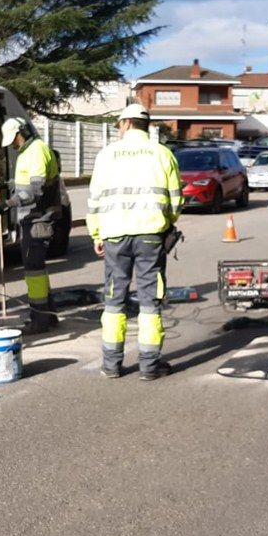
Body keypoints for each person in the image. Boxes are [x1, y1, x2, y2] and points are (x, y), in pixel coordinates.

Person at [85, 103, 182, 380]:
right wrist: (167, 223)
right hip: (151, 237)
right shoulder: (162, 153)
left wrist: (96, 233)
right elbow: (176, 200)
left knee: (114, 300)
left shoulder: (106, 155)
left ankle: (111, 365)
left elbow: (94, 201)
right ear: (146, 125)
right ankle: (149, 368)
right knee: (150, 302)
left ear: (125, 124)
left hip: (114, 236)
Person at [0, 117, 63, 334]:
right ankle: (49, 315)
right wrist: (8, 185)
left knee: (33, 270)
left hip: (38, 218)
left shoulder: (36, 151)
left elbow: (36, 190)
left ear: (21, 133)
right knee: (38, 269)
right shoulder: (29, 152)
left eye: (13, 140)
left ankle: (40, 320)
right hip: (33, 218)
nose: (13, 145)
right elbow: (26, 182)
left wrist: (8, 203)